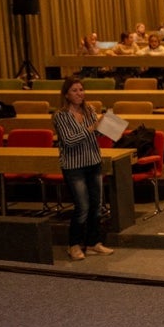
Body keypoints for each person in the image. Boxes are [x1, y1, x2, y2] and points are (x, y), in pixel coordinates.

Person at [52, 76, 114, 261]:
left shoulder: (89, 110)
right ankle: (74, 245)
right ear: (66, 94)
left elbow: (95, 133)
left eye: (81, 90)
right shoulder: (60, 116)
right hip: (74, 166)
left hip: (93, 161)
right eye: (75, 90)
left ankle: (94, 242)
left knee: (96, 206)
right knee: (83, 207)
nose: (80, 93)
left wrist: (106, 125)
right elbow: (69, 141)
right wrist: (90, 128)